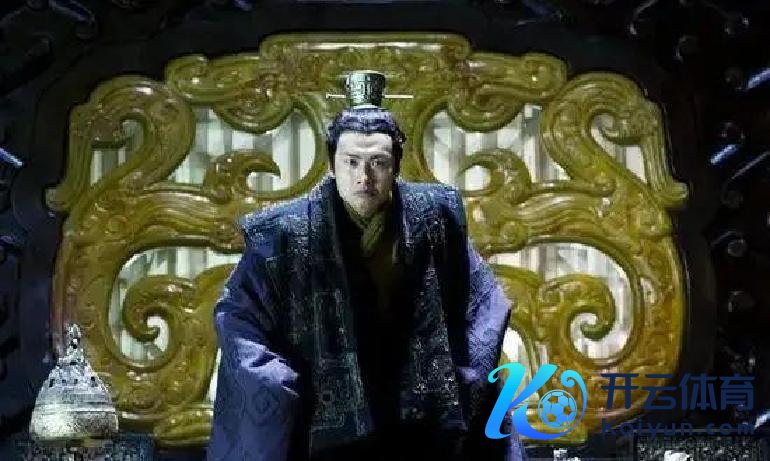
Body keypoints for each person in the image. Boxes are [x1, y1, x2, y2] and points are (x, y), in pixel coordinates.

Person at [207, 72, 527, 461]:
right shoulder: (284, 233)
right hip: (319, 419)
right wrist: (277, 380)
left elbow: (484, 301)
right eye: (352, 162)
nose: (364, 177)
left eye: (378, 162)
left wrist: (462, 373)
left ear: (396, 166)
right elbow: (238, 315)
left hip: (418, 416)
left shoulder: (434, 217)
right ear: (332, 164)